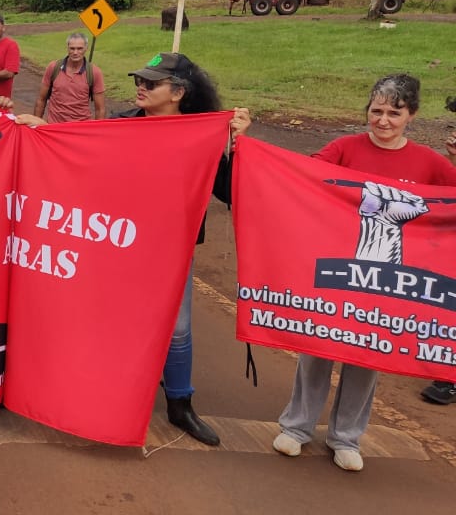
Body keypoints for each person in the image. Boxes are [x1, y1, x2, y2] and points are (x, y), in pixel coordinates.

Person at [273, 74, 456, 471]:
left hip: (389, 278)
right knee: (319, 343)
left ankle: (346, 437)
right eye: (376, 111)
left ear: (412, 115)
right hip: (337, 270)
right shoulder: (344, 147)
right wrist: (244, 142)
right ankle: (297, 426)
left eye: (395, 112)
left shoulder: (429, 162)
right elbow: (298, 176)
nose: (384, 120)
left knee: (366, 353)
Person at [117, 52, 252, 447]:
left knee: (177, 328)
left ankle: (180, 405)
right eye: (139, 80)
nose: (141, 87)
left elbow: (228, 192)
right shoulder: (122, 125)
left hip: (174, 249)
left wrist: (238, 146)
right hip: (119, 242)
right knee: (119, 321)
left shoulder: (203, 136)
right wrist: (39, 129)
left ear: (178, 92)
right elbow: (77, 151)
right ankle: (118, 398)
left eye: (151, 83)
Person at [33, 33, 107, 122]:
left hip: (80, 128)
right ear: (67, 48)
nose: (75, 52)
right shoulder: (53, 67)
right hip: (54, 126)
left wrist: (97, 132)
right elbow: (41, 99)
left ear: (86, 48)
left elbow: (100, 109)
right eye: (72, 48)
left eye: (80, 49)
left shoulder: (94, 72)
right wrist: (35, 125)